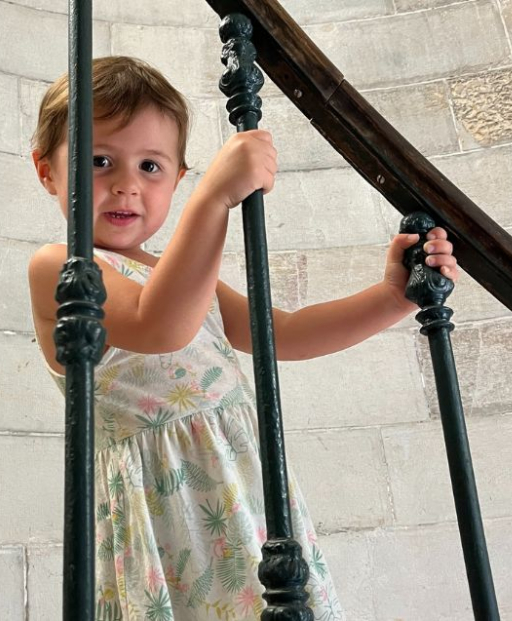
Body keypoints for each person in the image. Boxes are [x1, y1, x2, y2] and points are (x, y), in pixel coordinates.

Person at [28, 56, 457, 621]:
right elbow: (160, 325)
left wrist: (391, 297)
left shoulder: (174, 272)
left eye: (151, 167)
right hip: (163, 517)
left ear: (176, 177)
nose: (127, 186)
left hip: (243, 501)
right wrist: (214, 200)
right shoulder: (59, 265)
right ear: (47, 171)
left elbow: (283, 332)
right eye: (100, 161)